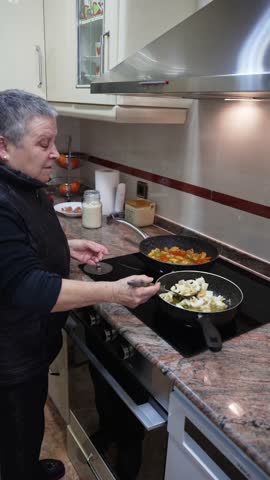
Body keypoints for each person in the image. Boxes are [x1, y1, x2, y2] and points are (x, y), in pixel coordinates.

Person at [0, 89, 160, 480]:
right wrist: (116, 291)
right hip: (10, 359)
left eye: (54, 141)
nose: (54, 153)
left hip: (28, 348)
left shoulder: (22, 182)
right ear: (3, 146)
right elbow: (28, 289)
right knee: (14, 437)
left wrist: (64, 247)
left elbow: (17, 249)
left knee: (25, 432)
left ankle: (27, 467)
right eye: (44, 143)